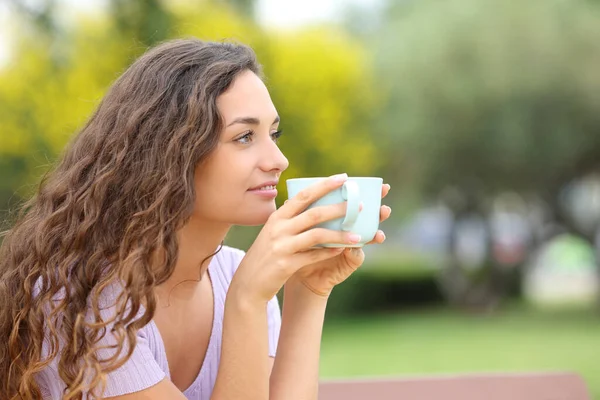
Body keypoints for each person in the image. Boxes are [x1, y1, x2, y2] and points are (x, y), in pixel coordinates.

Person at [0, 38, 391, 400]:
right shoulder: (83, 302)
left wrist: (310, 292)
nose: (279, 161)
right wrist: (247, 301)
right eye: (244, 137)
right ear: (170, 153)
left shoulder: (238, 276)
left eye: (274, 134)